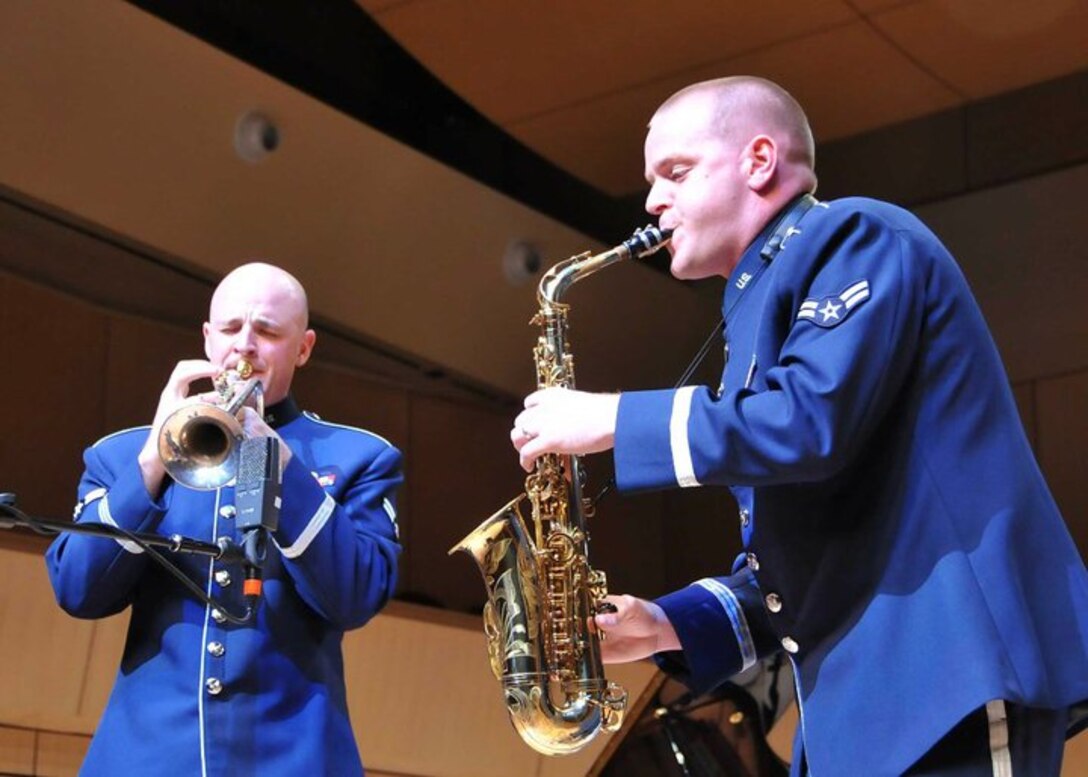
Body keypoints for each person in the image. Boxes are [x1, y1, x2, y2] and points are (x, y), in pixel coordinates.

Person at [511, 77, 1088, 775]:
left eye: (676, 172)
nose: (653, 201)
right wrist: (665, 624)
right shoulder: (758, 298)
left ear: (758, 161)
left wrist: (613, 417)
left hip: (946, 669)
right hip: (867, 706)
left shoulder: (855, 234)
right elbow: (802, 558)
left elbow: (809, 421)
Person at [46, 262, 402, 776]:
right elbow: (77, 591)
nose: (245, 346)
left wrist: (283, 467)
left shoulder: (357, 456)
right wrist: (151, 461)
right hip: (149, 756)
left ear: (303, 348)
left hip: (293, 757)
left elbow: (356, 597)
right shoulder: (122, 455)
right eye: (232, 329)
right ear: (208, 338)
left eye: (267, 331)